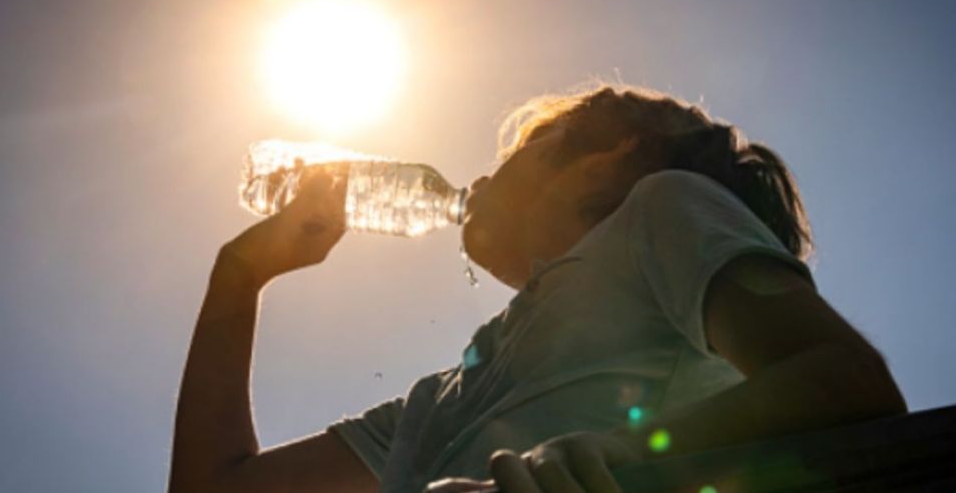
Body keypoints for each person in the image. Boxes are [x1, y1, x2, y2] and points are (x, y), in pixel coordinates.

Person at [168, 85, 908, 493]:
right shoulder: (447, 396)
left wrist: (622, 456)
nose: (486, 176)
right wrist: (238, 277)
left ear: (604, 157)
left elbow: (840, 380)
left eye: (526, 147)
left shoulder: (662, 206)